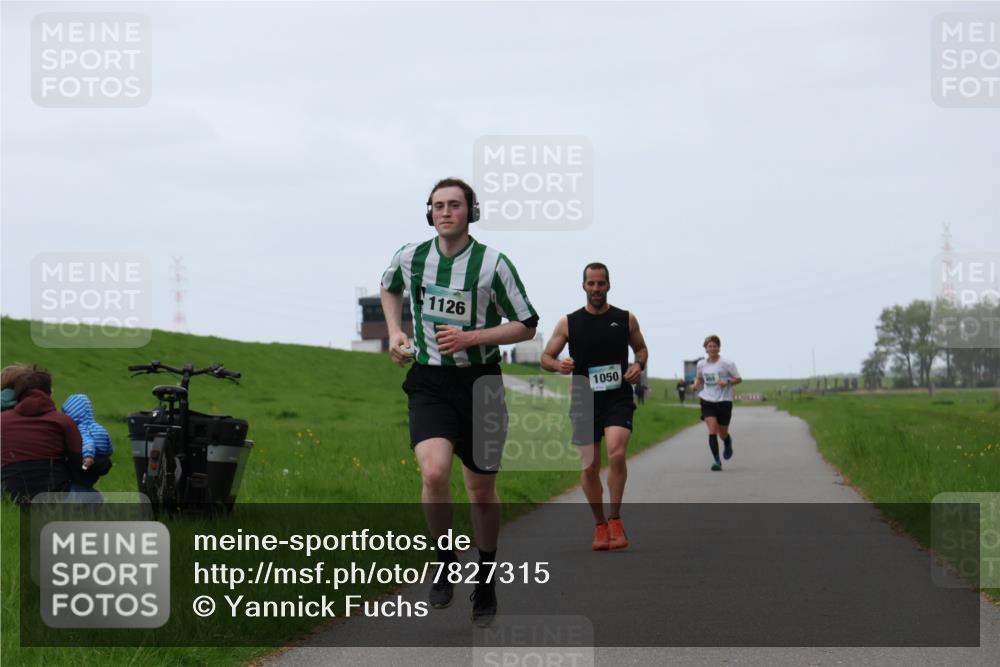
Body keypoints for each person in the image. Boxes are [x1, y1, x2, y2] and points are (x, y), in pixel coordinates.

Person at [380, 177, 538, 626]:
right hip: (429, 382)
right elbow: (389, 287)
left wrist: (473, 336)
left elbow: (526, 324)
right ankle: (445, 559)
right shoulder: (411, 256)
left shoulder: (494, 264)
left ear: (472, 212)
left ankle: (485, 577)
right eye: (437, 206)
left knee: (481, 490)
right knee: (433, 470)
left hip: (481, 384)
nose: (446, 212)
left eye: (455, 205)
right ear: (428, 212)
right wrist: (394, 331)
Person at [540, 263, 648, 551]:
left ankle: (615, 519)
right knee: (589, 467)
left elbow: (641, 349)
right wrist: (559, 364)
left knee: (616, 452)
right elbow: (546, 357)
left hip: (618, 397)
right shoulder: (569, 322)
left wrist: (638, 365)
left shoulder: (625, 319)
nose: (596, 289)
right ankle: (600, 525)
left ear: (609, 285)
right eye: (591, 284)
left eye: (601, 284)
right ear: (584, 286)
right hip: (584, 400)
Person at [0, 366, 83, 502]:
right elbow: (78, 462)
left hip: (9, 494)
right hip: (55, 494)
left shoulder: (3, 420)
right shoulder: (62, 420)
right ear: (49, 392)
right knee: (93, 497)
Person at [691, 335, 742, 471]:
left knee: (722, 433)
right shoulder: (701, 364)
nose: (712, 348)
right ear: (706, 348)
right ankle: (716, 461)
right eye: (710, 346)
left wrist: (727, 382)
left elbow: (738, 379)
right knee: (712, 429)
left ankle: (727, 441)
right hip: (707, 400)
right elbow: (699, 378)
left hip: (724, 401)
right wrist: (696, 384)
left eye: (715, 346)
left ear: (719, 348)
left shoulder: (727, 364)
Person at [62, 394, 114, 493]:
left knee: (80, 484)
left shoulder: (82, 428)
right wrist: (108, 454)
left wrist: (88, 456)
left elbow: (88, 442)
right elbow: (108, 444)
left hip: (87, 461)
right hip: (100, 460)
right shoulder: (99, 428)